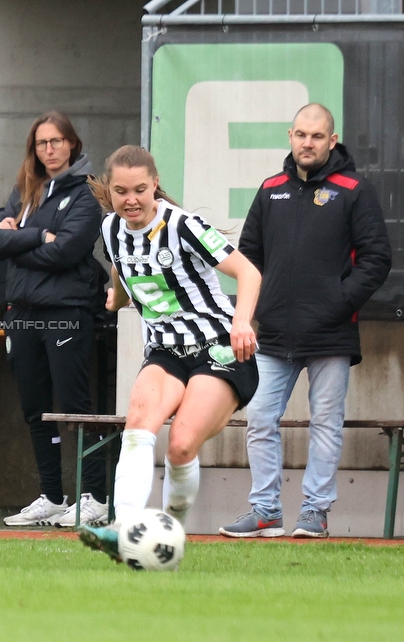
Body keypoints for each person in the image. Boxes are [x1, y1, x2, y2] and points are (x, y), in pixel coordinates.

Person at [76, 145, 262, 561]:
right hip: (165, 351)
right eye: (121, 191)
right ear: (110, 190)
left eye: (140, 189)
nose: (131, 200)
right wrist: (118, 297)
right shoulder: (110, 230)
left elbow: (249, 272)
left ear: (154, 184)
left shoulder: (182, 226)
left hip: (219, 348)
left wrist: (243, 321)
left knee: (180, 445)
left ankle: (170, 532)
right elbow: (121, 268)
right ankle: (123, 530)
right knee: (139, 425)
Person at [219, 104, 391, 540]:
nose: (307, 143)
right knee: (258, 417)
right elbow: (248, 260)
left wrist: (338, 301)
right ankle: (265, 511)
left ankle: (315, 511)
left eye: (317, 136)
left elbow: (377, 260)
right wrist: (251, 313)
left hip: (330, 333)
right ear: (290, 136)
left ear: (332, 141)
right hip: (273, 335)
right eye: (300, 135)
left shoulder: (355, 189)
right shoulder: (271, 188)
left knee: (326, 423)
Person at [0, 112, 109, 528]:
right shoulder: (26, 190)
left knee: (76, 409)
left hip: (66, 313)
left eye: (56, 141)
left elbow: (69, 252)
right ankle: (53, 497)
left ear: (72, 144)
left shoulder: (89, 193)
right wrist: (37, 236)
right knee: (35, 409)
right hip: (22, 314)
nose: (49, 150)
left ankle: (94, 497)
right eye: (41, 143)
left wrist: (17, 239)